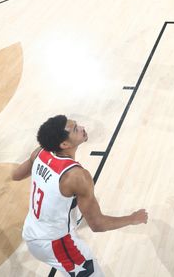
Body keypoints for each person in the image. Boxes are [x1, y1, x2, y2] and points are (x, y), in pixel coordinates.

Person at [12, 115, 148, 275]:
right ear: (64, 144)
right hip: (57, 244)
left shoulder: (40, 152)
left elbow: (16, 175)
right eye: (76, 129)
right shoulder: (77, 177)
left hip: (31, 231)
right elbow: (98, 225)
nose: (82, 128)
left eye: (77, 124)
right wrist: (132, 219)